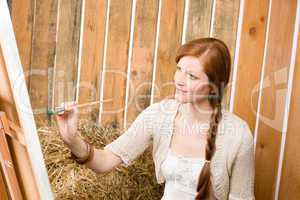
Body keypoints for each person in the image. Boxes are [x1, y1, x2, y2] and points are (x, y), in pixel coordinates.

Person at [56, 37, 255, 200]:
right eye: (179, 70)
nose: (179, 81)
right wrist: (72, 140)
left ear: (214, 86)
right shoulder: (159, 116)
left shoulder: (238, 136)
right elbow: (104, 162)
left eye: (192, 77)